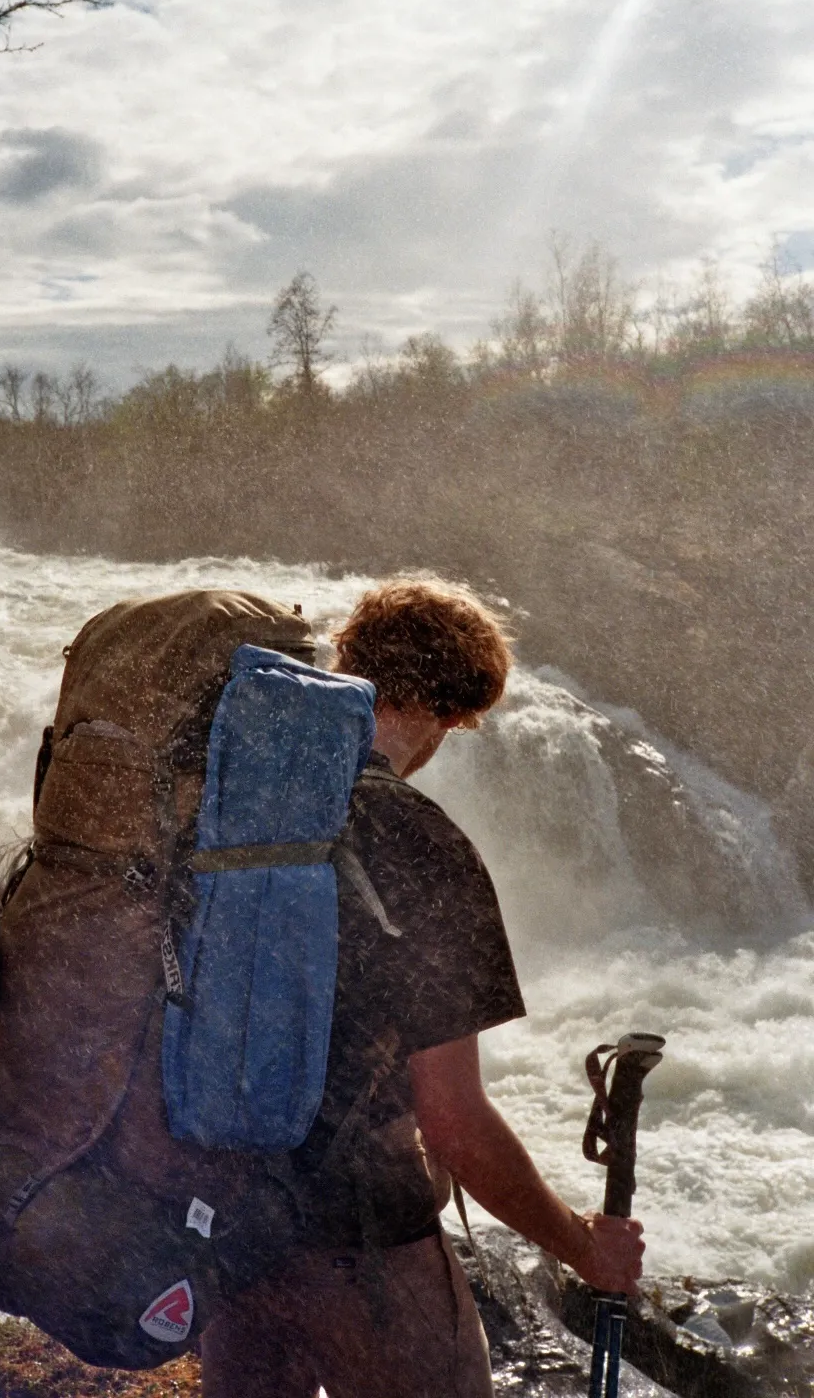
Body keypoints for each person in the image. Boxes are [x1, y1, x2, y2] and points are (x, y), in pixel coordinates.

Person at [201, 577, 644, 1398]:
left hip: (224, 1228)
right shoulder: (419, 840)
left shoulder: (234, 808)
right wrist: (582, 1245)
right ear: (451, 710)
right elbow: (455, 1122)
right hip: (363, 1235)